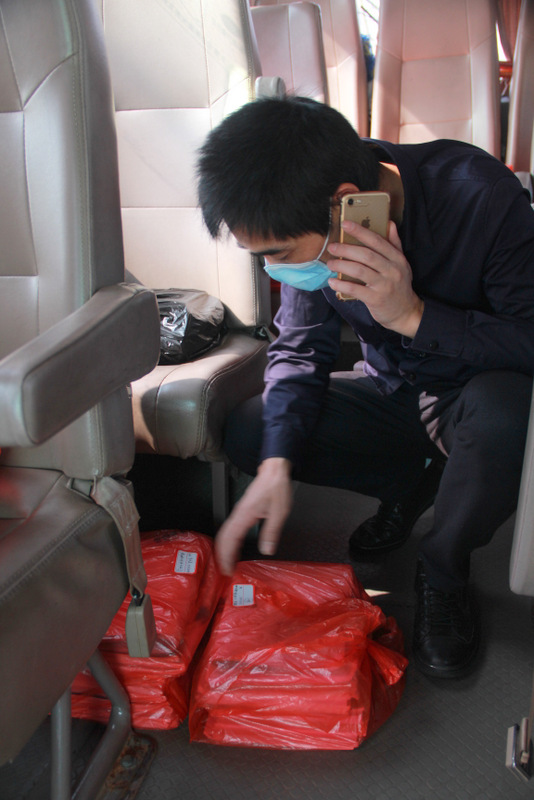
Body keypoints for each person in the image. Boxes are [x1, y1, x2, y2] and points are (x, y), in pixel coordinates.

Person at [196, 95, 534, 679]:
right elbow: (301, 348)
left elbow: (528, 337)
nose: (276, 270)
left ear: (344, 202)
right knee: (255, 430)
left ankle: (444, 566)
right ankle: (413, 480)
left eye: (278, 255)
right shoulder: (315, 227)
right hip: (392, 389)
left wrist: (415, 317)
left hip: (471, 396)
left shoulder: (481, 197)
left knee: (507, 410)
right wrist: (275, 465)